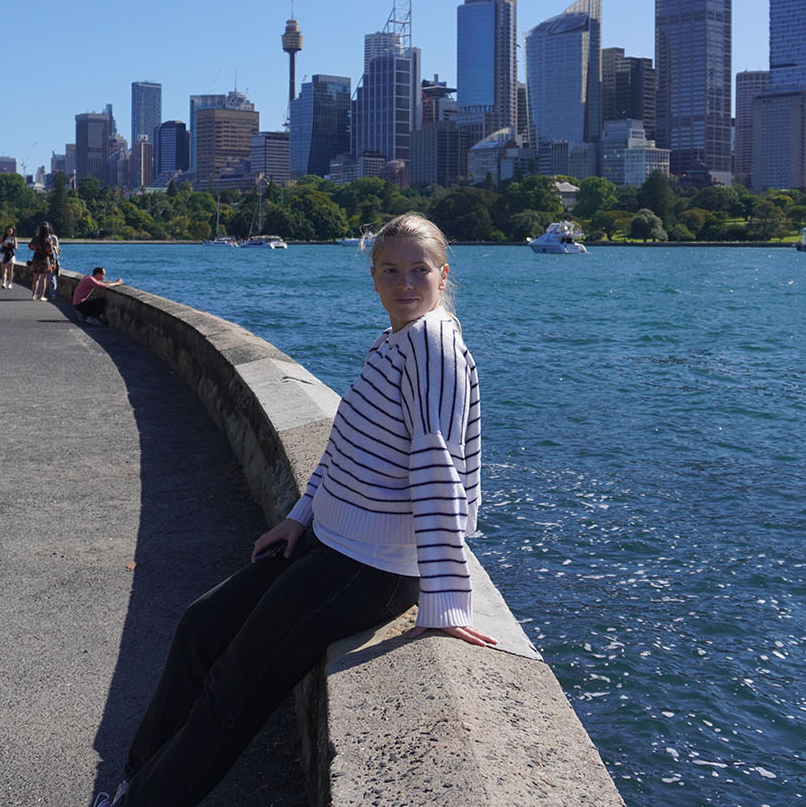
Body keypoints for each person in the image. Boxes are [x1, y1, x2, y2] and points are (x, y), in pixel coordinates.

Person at [90, 212, 490, 807]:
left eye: (418, 270)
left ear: (443, 274)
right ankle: (136, 775)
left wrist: (444, 599)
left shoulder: (432, 347)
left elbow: (438, 471)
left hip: (371, 568)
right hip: (332, 543)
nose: (405, 283)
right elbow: (346, 446)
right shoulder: (399, 340)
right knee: (201, 627)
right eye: (390, 271)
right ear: (374, 279)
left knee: (234, 687)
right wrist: (299, 518)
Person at [28, 222, 56, 301]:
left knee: (35, 278)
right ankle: (41, 296)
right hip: (44, 259)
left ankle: (33, 295)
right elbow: (50, 251)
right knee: (43, 279)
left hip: (36, 259)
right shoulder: (47, 241)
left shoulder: (36, 239)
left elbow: (30, 247)